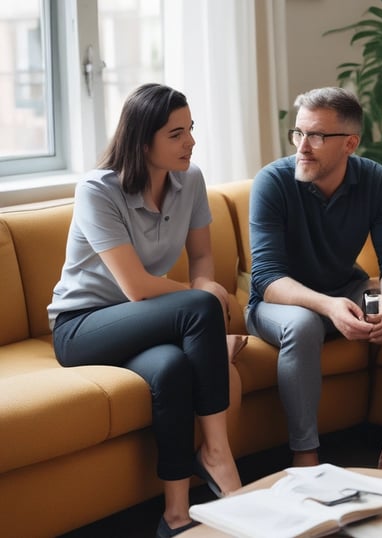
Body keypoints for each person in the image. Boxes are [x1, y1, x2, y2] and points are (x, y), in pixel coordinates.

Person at [48, 83, 243, 538]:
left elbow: (200, 260)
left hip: (146, 323)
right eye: (176, 134)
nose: (190, 141)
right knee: (199, 308)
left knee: (173, 368)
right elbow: (136, 288)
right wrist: (204, 302)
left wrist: (203, 286)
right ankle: (216, 453)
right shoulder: (98, 190)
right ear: (142, 141)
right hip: (83, 326)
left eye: (190, 129)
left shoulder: (189, 179)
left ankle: (175, 514)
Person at [245, 86, 382, 470]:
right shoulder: (273, 182)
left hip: (345, 289)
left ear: (350, 143)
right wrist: (329, 307)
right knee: (302, 325)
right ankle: (306, 457)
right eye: (298, 133)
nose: (302, 146)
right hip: (280, 302)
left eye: (315, 136)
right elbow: (267, 277)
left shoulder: (375, 180)